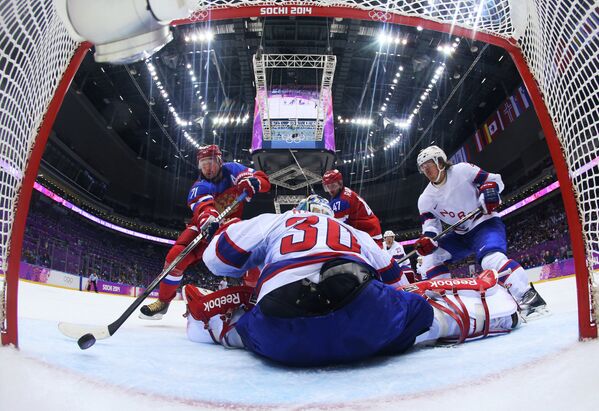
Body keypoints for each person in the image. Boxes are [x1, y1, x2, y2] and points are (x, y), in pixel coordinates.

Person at [182, 195, 520, 367]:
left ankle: (219, 330)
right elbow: (399, 284)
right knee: (418, 309)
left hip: (283, 336)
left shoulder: (276, 220)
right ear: (329, 214)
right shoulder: (355, 231)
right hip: (364, 318)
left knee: (244, 324)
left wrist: (219, 231)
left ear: (299, 209)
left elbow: (217, 261)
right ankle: (486, 317)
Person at [139, 144, 271, 320]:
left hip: (230, 226)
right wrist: (208, 219)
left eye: (211, 163)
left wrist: (254, 183)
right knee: (175, 256)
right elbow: (203, 208)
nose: (207, 168)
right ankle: (163, 302)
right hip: (203, 228)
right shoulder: (199, 186)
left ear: (219, 161)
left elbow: (263, 180)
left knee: (253, 258)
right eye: (203, 164)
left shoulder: (232, 170)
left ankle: (253, 302)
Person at [414, 145, 547, 319]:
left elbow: (494, 180)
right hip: (461, 235)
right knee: (430, 259)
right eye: (423, 168)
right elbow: (431, 226)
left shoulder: (462, 170)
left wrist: (489, 193)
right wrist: (428, 240)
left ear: (440, 161)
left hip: (484, 223)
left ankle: (530, 298)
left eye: (429, 164)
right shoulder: (425, 199)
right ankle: (446, 305)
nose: (427, 170)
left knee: (491, 260)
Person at [322, 169, 383, 246]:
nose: (330, 190)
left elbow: (338, 229)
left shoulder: (341, 201)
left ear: (340, 183)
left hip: (369, 235)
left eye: (333, 185)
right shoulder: (343, 193)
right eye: (327, 187)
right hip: (370, 231)